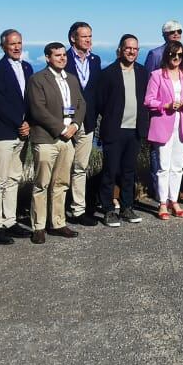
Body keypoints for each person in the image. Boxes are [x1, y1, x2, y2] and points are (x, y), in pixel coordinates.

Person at [27, 42, 86, 241]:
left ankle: (58, 223)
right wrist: (61, 129)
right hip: (46, 138)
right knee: (42, 183)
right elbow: (38, 110)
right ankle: (38, 226)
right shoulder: (37, 80)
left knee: (61, 183)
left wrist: (75, 126)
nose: (62, 58)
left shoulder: (71, 79)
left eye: (63, 55)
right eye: (57, 55)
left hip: (68, 138)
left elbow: (80, 104)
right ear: (47, 57)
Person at [91, 35, 150, 226]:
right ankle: (108, 209)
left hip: (135, 130)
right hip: (115, 130)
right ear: (120, 50)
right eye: (128, 48)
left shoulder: (142, 72)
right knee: (110, 171)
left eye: (135, 49)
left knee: (129, 171)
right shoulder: (108, 73)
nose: (132, 52)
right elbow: (99, 102)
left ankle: (127, 207)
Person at [0, 29, 34, 244]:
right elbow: (0, 103)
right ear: (3, 46)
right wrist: (20, 123)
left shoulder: (27, 67)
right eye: (12, 43)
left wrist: (29, 122)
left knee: (14, 178)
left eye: (19, 43)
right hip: (3, 133)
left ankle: (10, 221)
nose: (16, 47)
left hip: (22, 133)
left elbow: (32, 98)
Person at [145, 43, 183, 218]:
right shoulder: (157, 75)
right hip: (163, 125)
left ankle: (174, 200)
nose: (177, 58)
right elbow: (148, 100)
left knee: (178, 166)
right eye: (173, 55)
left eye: (180, 55)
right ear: (167, 55)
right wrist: (165, 105)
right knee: (163, 166)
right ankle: (162, 203)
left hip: (182, 124)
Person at [67, 22, 103, 225]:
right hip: (66, 122)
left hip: (88, 121)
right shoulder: (63, 58)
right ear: (73, 38)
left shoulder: (95, 60)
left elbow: (96, 90)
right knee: (62, 168)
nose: (88, 40)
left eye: (90, 36)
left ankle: (78, 210)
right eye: (84, 37)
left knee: (81, 167)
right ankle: (56, 211)